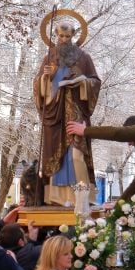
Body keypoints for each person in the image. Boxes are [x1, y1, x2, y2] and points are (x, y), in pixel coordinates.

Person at [34, 18, 102, 207]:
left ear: (73, 36)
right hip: (55, 115)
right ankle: (57, 197)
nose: (63, 39)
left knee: (76, 154)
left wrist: (82, 81)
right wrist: (45, 78)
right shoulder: (48, 57)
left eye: (67, 36)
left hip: (75, 112)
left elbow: (95, 81)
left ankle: (83, 197)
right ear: (56, 35)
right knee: (57, 155)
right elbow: (39, 85)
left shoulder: (83, 57)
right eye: (60, 35)